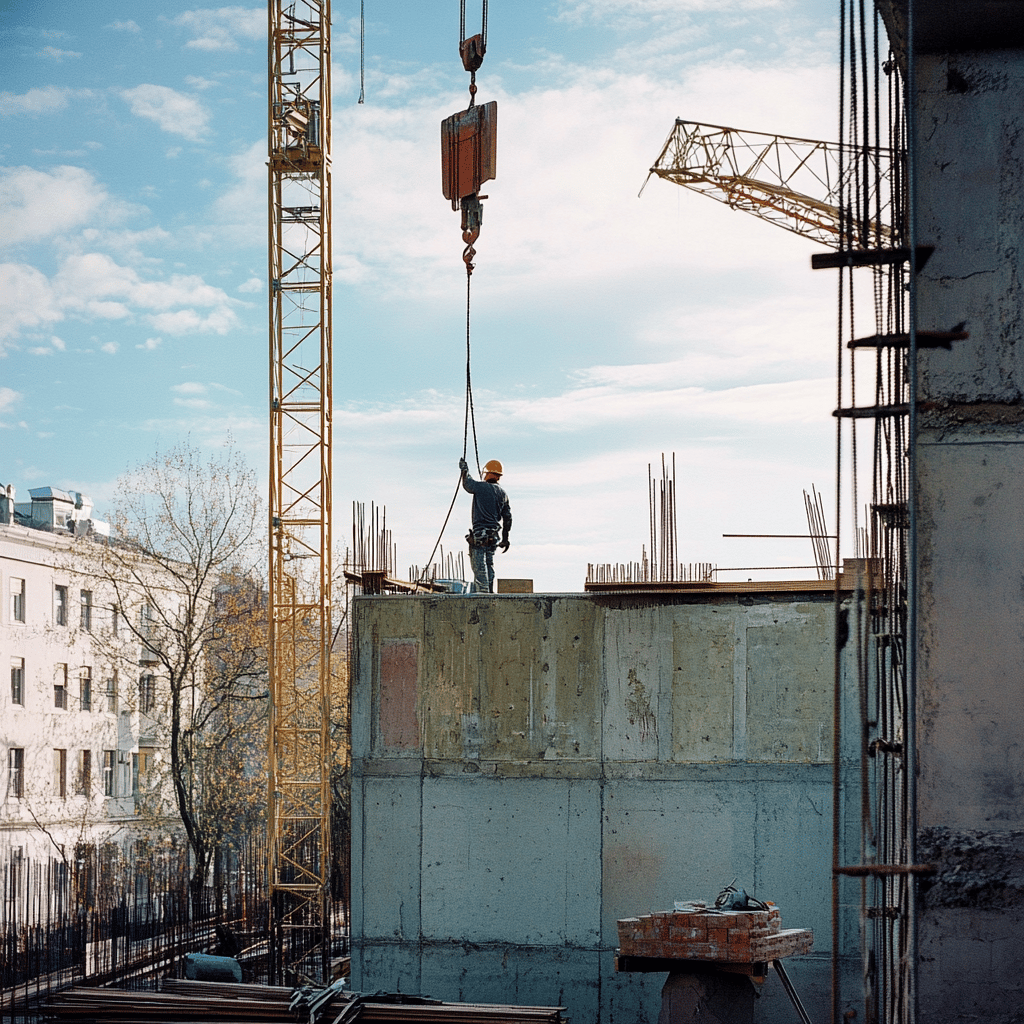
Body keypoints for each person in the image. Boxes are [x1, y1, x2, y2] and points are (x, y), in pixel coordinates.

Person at [459, 457, 512, 593]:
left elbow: (467, 484)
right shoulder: (503, 494)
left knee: (479, 568)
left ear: (487, 473)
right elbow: (507, 518)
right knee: (489, 564)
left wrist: (464, 470)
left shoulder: (481, 487)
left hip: (480, 535)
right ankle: (489, 592)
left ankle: (484, 596)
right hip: (493, 537)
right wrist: (505, 539)